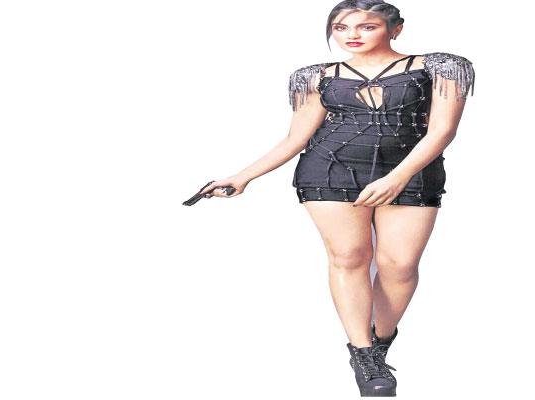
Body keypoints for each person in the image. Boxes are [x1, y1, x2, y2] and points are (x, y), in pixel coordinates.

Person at [199, 0, 474, 396]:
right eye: (341, 28)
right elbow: (296, 138)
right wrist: (242, 177)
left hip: (411, 173)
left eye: (366, 27)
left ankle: (380, 340)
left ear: (395, 29)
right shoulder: (315, 77)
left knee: (399, 265)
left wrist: (397, 178)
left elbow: (442, 131)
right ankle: (364, 355)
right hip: (329, 169)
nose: (352, 36)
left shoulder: (440, 67)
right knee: (349, 258)